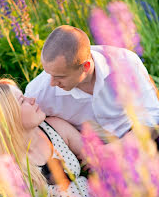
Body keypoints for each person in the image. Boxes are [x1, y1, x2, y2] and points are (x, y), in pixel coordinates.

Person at [25, 25, 159, 144]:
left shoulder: (126, 62)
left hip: (137, 140)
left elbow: (152, 118)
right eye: (48, 73)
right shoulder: (38, 91)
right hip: (90, 157)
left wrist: (116, 151)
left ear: (86, 66)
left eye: (60, 76)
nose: (52, 83)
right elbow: (20, 126)